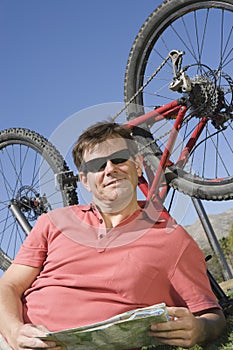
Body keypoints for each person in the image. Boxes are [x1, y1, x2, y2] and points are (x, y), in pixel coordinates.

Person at [0, 121, 226, 350]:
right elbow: (8, 286)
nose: (110, 169)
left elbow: (212, 314)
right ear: (85, 181)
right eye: (98, 165)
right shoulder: (53, 222)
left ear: (137, 167)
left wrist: (200, 329)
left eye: (119, 159)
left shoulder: (171, 239)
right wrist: (15, 332)